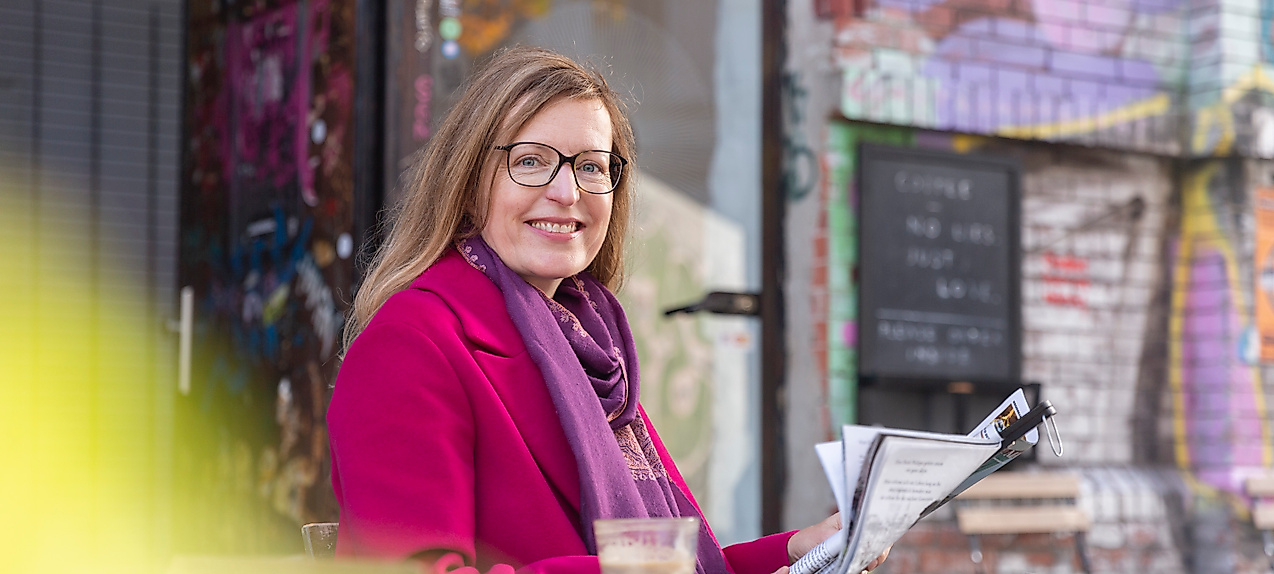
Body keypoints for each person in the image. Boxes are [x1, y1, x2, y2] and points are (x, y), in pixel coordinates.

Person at [327, 46, 887, 574]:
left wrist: (798, 550)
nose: (567, 191)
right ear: (471, 182)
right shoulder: (411, 343)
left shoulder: (594, 352)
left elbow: (688, 565)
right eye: (532, 161)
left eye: (592, 167)